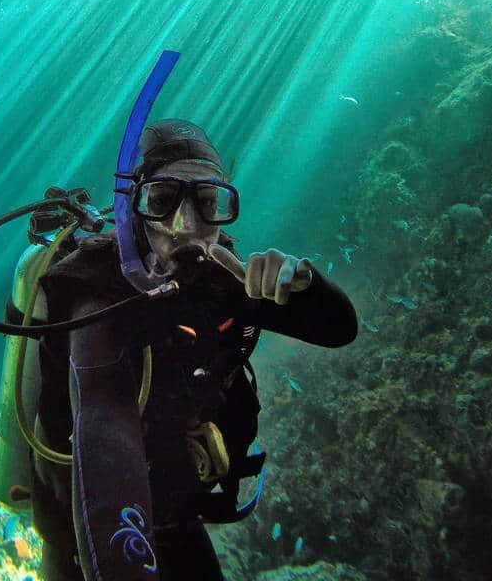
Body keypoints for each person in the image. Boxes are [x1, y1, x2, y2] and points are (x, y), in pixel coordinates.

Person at [26, 119, 358, 580]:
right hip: (83, 536)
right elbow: (102, 416)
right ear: (133, 208)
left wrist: (304, 285)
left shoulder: (227, 278)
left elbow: (340, 329)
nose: (186, 226)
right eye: (162, 201)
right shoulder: (96, 292)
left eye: (206, 203)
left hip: (177, 518)